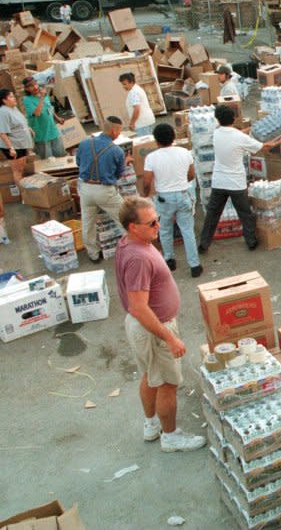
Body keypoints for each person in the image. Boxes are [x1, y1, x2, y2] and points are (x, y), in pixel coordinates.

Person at [116, 196, 206, 453]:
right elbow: (139, 306)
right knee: (167, 384)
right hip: (154, 329)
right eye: (152, 222)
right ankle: (170, 436)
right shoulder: (138, 258)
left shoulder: (130, 244)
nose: (159, 225)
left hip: (144, 328)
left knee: (150, 376)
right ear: (133, 226)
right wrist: (169, 337)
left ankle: (152, 424)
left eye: (158, 219)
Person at [199, 106, 281, 253]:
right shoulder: (239, 137)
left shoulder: (216, 133)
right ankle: (251, 241)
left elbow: (235, 134)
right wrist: (279, 141)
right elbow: (264, 147)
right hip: (236, 183)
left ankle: (204, 244)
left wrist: (249, 129)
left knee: (213, 214)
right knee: (245, 214)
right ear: (233, 119)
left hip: (219, 181)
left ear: (218, 119)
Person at [142, 124, 202, 278]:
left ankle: (169, 260)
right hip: (183, 194)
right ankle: (195, 265)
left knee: (165, 229)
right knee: (187, 230)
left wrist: (145, 195)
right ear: (173, 137)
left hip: (164, 198)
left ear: (156, 140)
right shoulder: (184, 153)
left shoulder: (151, 158)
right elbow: (191, 175)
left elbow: (147, 182)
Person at [74, 116, 126, 263]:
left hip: (85, 188)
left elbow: (78, 162)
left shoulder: (84, 143)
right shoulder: (117, 151)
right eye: (119, 131)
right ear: (113, 130)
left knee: (87, 222)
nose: (119, 134)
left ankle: (93, 254)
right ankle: (131, 249)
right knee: (124, 218)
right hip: (105, 190)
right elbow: (119, 174)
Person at [21, 77, 65, 160]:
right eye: (31, 86)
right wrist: (41, 97)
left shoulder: (44, 95)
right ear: (26, 89)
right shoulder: (27, 100)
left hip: (52, 129)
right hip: (41, 133)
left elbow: (49, 107)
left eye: (35, 84)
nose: (35, 87)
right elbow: (37, 113)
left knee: (60, 155)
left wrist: (57, 118)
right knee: (47, 159)